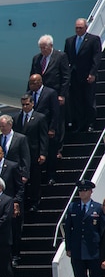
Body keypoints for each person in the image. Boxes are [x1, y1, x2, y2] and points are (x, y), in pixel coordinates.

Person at [65, 180, 105, 277]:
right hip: (77, 251)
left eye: (85, 190)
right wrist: (68, 248)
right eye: (80, 190)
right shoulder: (73, 207)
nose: (82, 192)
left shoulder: (98, 208)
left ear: (90, 191)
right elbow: (68, 230)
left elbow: (102, 231)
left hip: (94, 251)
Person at [30, 34, 70, 165]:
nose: (42, 50)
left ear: (51, 46)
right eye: (40, 48)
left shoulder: (60, 57)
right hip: (41, 95)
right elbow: (32, 77)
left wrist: (62, 94)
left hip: (56, 95)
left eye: (44, 48)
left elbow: (65, 76)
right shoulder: (37, 59)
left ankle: (59, 148)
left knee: (58, 122)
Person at [64, 18, 102, 133]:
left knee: (89, 101)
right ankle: (80, 124)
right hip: (75, 76)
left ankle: (90, 123)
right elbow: (67, 58)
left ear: (86, 28)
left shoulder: (93, 40)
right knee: (77, 101)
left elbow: (96, 58)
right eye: (76, 28)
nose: (78, 30)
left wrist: (92, 73)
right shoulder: (70, 41)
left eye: (80, 28)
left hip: (88, 76)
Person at [12, 94, 48, 212]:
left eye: (27, 104)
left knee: (35, 179)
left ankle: (35, 202)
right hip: (21, 155)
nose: (25, 107)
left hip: (34, 154)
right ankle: (25, 202)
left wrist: (43, 153)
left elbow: (43, 137)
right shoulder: (17, 118)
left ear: (32, 104)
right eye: (23, 105)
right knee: (22, 179)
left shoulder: (40, 117)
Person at [28, 74, 61, 185]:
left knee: (50, 154)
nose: (30, 85)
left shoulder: (50, 93)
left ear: (40, 82)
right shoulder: (28, 95)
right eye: (30, 83)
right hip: (35, 132)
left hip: (47, 129)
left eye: (33, 83)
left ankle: (51, 175)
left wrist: (52, 128)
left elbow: (55, 112)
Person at [0, 115, 31, 184]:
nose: (2, 128)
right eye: (0, 126)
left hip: (16, 172)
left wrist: (25, 174)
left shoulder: (20, 139)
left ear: (10, 125)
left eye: (3, 126)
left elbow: (25, 158)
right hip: (1, 173)